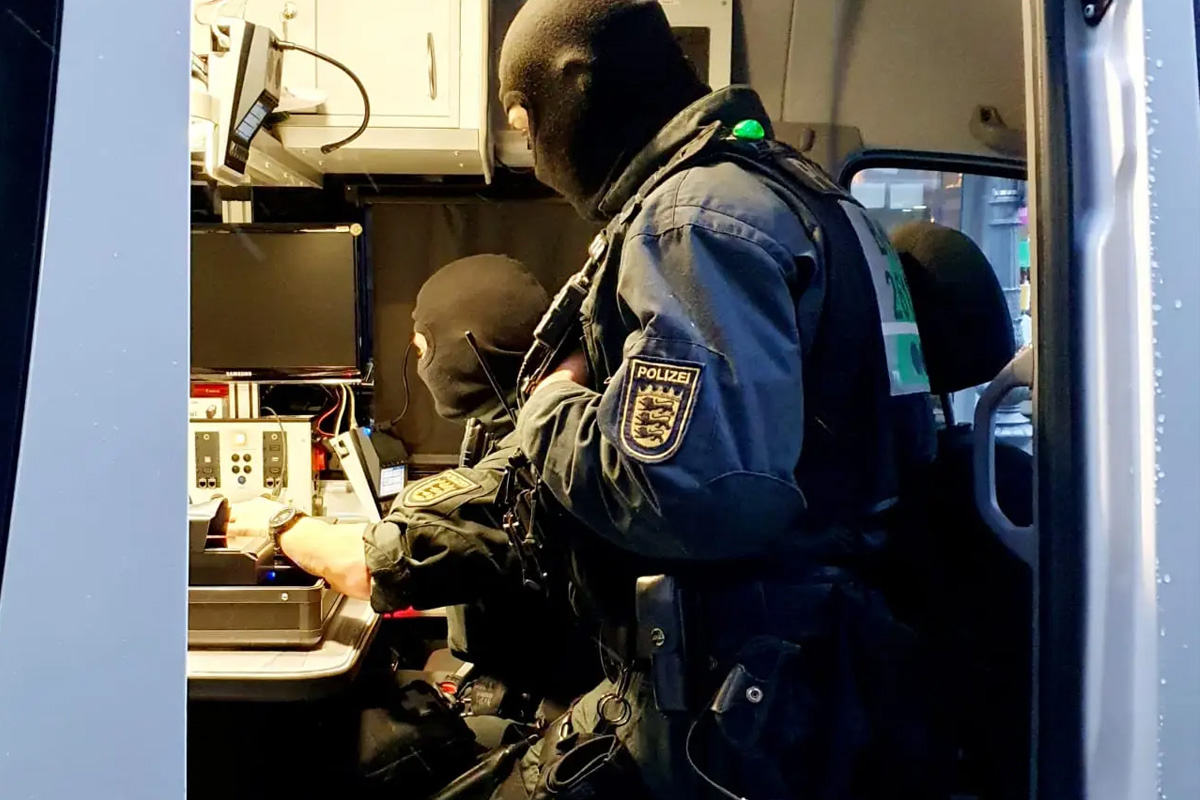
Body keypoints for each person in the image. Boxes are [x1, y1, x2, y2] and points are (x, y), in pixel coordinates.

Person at [491, 1, 937, 798]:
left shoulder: (691, 219)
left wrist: (550, 406)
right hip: (823, 660)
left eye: (528, 125)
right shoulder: (810, 193)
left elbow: (692, 494)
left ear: (575, 85)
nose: (536, 160)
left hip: (741, 696)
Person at [226, 254, 600, 792]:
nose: (420, 363)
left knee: (303, 747)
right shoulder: (530, 426)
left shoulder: (530, 461)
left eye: (424, 346)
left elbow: (369, 566)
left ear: (467, 350)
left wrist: (276, 521)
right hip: (526, 691)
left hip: (547, 729)